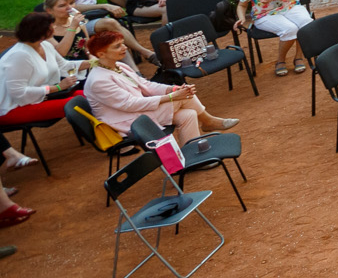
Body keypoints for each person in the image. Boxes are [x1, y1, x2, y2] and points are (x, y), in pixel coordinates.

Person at [80, 28, 238, 145]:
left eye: (122, 44)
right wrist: (171, 97)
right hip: (126, 121)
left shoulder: (118, 66)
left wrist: (172, 89)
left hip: (137, 112)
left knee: (188, 113)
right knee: (183, 97)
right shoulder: (98, 80)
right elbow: (129, 105)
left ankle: (193, 155)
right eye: (117, 46)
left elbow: (146, 85)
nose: (124, 48)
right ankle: (208, 121)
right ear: (101, 54)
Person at [2, 12, 84, 180]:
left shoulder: (45, 45)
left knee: (90, 93)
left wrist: (96, 62)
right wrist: (57, 87)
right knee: (79, 102)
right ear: (40, 31)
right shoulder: (19, 56)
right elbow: (19, 93)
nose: (54, 28)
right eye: (51, 26)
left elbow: (66, 66)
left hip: (38, 99)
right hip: (13, 108)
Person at [234, 0, 315, 77]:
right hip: (264, 14)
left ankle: (298, 57)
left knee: (306, 24)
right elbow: (242, 5)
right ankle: (280, 61)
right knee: (290, 29)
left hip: (289, 6)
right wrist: (242, 18)